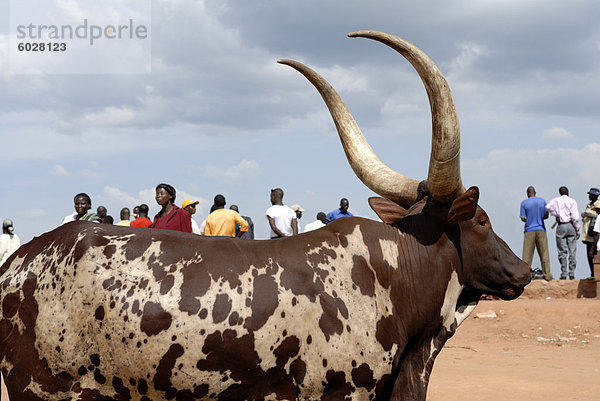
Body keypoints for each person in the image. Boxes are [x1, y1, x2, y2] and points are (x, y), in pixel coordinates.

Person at [546, 186, 580, 279]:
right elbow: (575, 218)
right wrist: (577, 229)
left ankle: (564, 273)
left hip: (561, 226)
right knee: (572, 250)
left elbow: (548, 207)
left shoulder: (556, 200)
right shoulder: (572, 201)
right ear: (568, 192)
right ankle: (572, 273)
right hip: (571, 225)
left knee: (562, 251)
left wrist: (556, 214)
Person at [519, 186, 552, 281]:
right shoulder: (542, 201)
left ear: (527, 193)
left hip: (529, 230)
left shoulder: (524, 203)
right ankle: (548, 275)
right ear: (535, 192)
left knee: (527, 256)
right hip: (541, 229)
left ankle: (525, 277)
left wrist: (529, 219)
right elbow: (546, 215)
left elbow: (522, 218)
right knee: (544, 254)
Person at [581, 187, 600, 280]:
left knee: (595, 255)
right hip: (588, 235)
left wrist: (590, 215)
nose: (589, 196)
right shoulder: (589, 205)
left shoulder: (598, 204)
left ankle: (597, 274)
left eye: (591, 194)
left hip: (595, 235)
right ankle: (592, 273)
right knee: (589, 256)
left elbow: (599, 217)